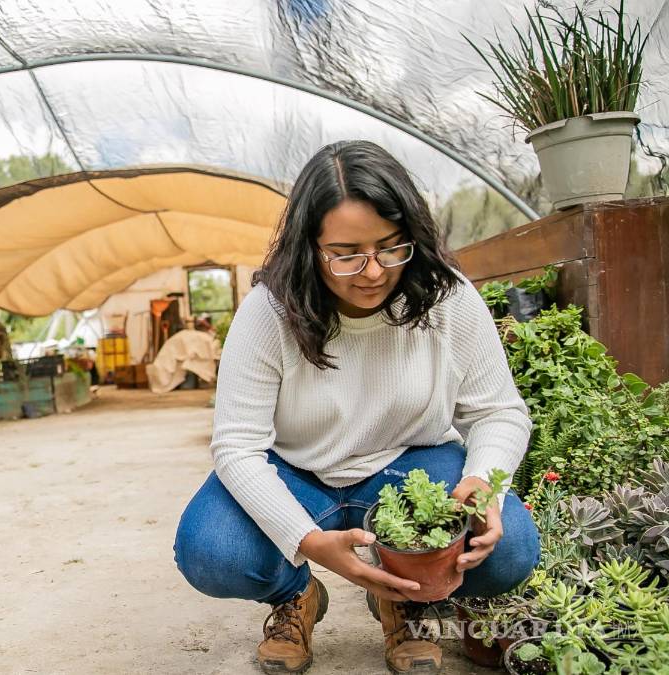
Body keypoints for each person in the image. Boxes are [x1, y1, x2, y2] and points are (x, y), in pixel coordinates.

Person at [173, 140, 539, 673]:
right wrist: (308, 542)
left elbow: (499, 412)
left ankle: (405, 595)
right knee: (212, 551)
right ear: (308, 246)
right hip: (297, 473)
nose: (372, 272)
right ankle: (297, 595)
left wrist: (484, 482)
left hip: (412, 464)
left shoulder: (448, 299)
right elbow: (237, 447)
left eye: (391, 247)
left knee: (509, 551)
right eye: (345, 254)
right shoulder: (269, 312)